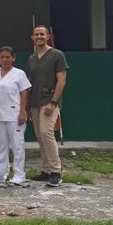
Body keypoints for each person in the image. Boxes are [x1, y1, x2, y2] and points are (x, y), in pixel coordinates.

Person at [26, 25, 68, 187]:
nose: (39, 37)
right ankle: (46, 170)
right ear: (32, 37)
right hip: (34, 102)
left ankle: (56, 171)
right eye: (36, 34)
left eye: (42, 34)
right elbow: (29, 82)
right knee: (40, 136)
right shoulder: (32, 58)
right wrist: (27, 106)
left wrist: (53, 102)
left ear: (48, 36)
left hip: (49, 101)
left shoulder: (57, 55)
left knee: (46, 133)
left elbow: (62, 80)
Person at [0, 46, 31, 186]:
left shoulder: (19, 74)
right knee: (0, 146)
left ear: (13, 58)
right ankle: (0, 173)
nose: (5, 60)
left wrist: (22, 111)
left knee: (17, 146)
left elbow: (24, 93)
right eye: (2, 57)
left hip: (14, 115)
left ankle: (19, 174)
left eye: (8, 57)